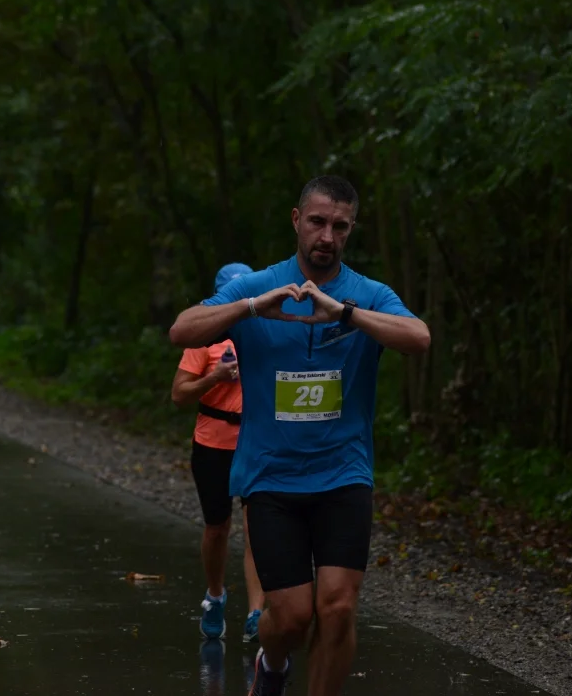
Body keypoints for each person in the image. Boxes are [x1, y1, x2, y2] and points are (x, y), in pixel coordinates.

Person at [168, 176, 431, 696]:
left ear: (351, 230)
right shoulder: (259, 286)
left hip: (343, 474)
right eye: (317, 222)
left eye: (339, 226)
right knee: (290, 619)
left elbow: (419, 337)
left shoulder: (367, 294)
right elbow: (182, 329)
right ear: (296, 220)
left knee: (336, 608)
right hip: (272, 478)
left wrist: (347, 315)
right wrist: (250, 308)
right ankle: (272, 664)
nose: (326, 236)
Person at [171, 262, 266, 643]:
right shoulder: (204, 340)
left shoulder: (264, 335)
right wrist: (214, 377)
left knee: (257, 529)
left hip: (256, 441)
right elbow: (178, 395)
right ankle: (215, 595)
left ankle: (257, 614)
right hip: (213, 443)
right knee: (218, 527)